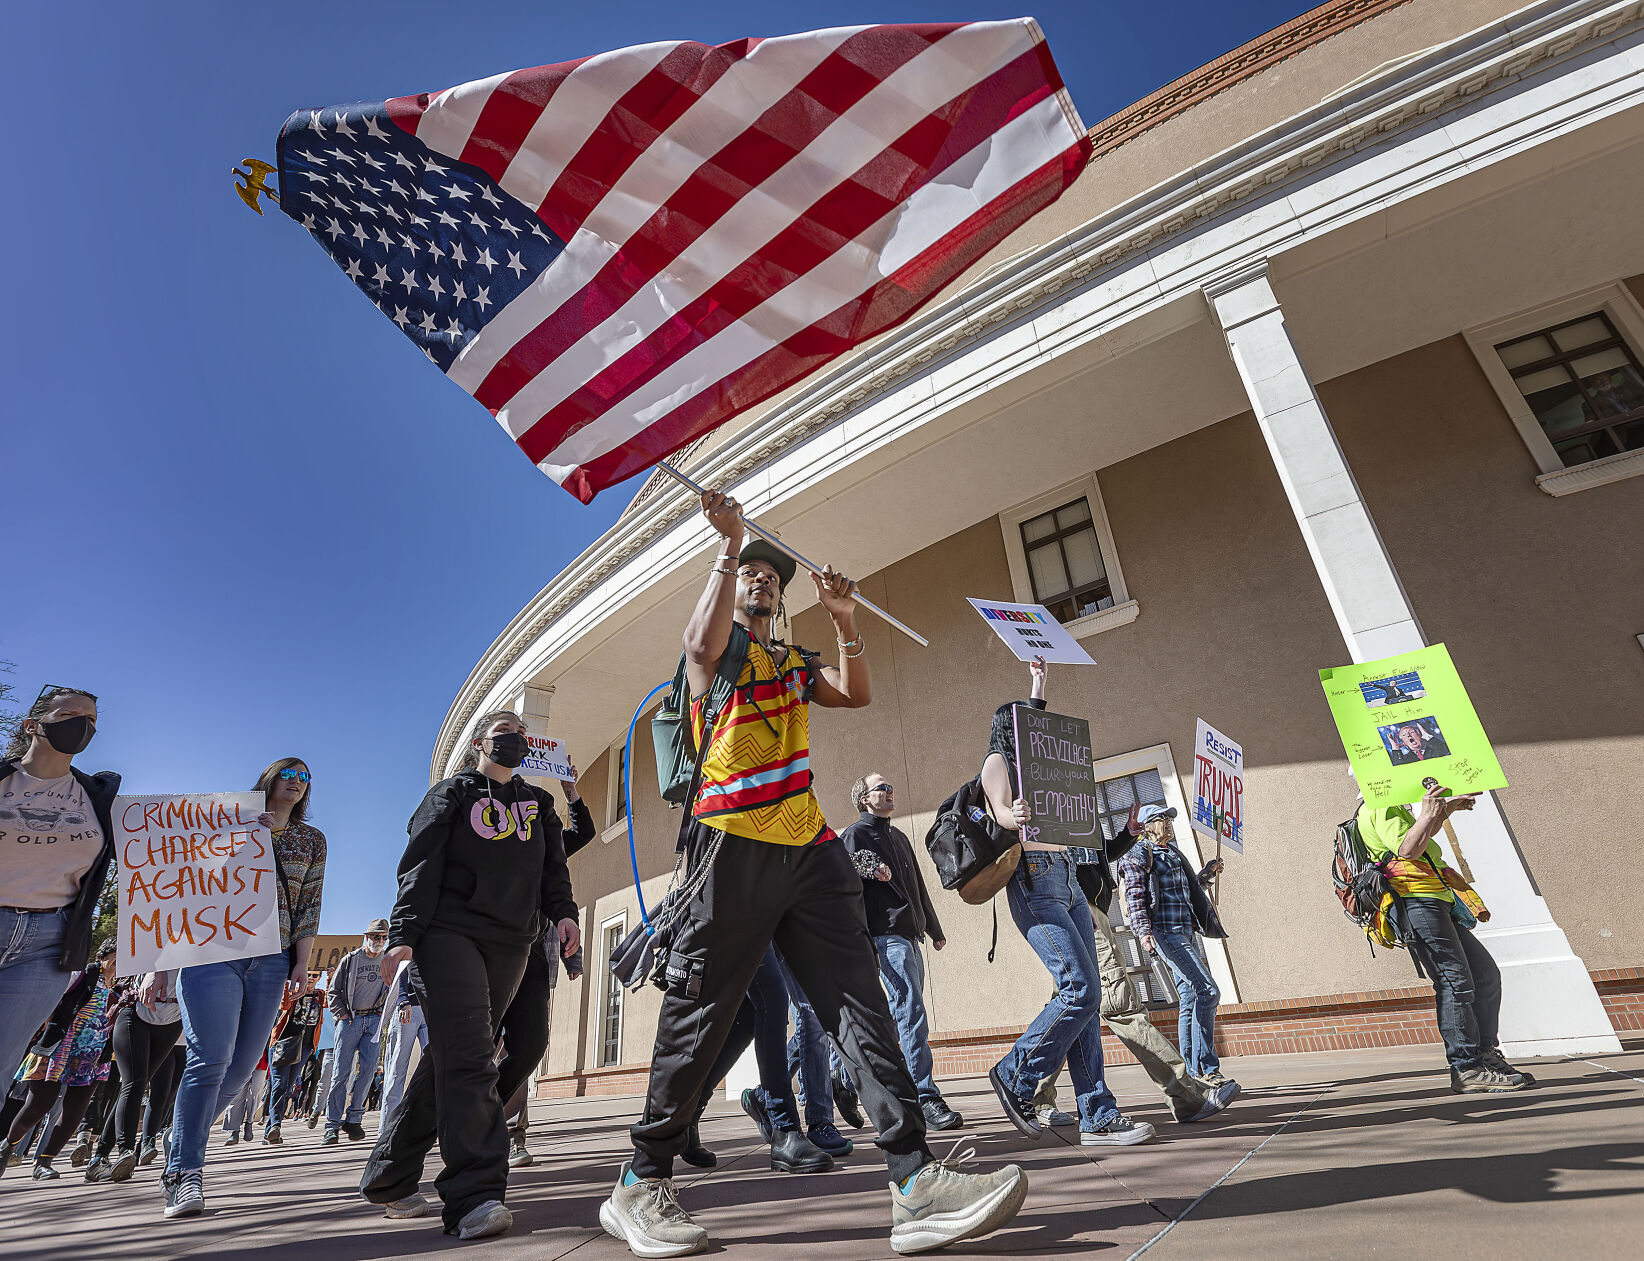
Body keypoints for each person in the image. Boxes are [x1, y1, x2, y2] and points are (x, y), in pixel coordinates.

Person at [599, 489, 1026, 1260]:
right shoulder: (718, 653)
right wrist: (728, 550)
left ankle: (913, 1180)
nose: (763, 581)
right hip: (729, 846)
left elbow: (857, 691)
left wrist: (844, 618)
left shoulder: (792, 663)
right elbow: (697, 648)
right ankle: (639, 1180)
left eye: (771, 576)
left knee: (860, 1003)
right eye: (752, 575)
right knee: (701, 1012)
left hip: (811, 846)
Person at [366, 709, 580, 1240]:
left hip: (515, 941)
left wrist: (566, 913)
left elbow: (554, 868)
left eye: (520, 736)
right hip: (449, 934)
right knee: (471, 1057)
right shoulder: (451, 795)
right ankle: (475, 1195)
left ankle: (391, 1174)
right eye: (505, 734)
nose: (516, 742)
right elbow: (419, 865)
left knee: (474, 1055)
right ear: (480, 744)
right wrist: (404, 935)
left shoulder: (539, 803)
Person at [982, 658, 1154, 1150]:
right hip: (1034, 883)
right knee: (1078, 988)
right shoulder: (999, 762)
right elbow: (1000, 814)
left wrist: (1039, 681)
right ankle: (1016, 1073)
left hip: (1069, 881)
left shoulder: (1039, 766)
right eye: (1023, 722)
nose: (1031, 729)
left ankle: (1097, 1114)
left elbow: (1039, 723)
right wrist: (1012, 816)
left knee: (1090, 996)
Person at [160, 757, 325, 1221]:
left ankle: (180, 1137)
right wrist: (160, 964)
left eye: (303, 778)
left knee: (241, 1067)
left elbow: (310, 902)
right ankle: (184, 1172)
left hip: (272, 957)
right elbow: (182, 883)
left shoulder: (312, 839)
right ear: (269, 779)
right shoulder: (228, 819)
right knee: (209, 1058)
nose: (294, 783)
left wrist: (302, 962)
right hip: (213, 949)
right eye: (287, 775)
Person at [1357, 782, 1531, 1092]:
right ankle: (1466, 1067)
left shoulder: (1395, 808)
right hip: (1416, 902)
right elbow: (1408, 850)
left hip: (1436, 900)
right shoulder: (1378, 807)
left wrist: (1446, 808)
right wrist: (1429, 811)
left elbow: (1421, 839)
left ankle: (1484, 1053)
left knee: (1485, 975)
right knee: (1455, 982)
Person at [0, 686, 119, 1086]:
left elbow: (170, 839)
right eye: (70, 716)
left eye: (91, 721)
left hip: (47, 946)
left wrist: (247, 825)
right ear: (33, 725)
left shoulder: (100, 798)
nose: (83, 727)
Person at [840, 774, 962, 1132]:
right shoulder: (854, 836)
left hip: (910, 936)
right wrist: (866, 867)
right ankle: (924, 1096)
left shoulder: (899, 837)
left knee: (892, 1016)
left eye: (890, 785)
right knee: (909, 1010)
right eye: (881, 787)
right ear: (864, 798)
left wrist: (933, 928)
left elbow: (917, 888)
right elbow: (841, 873)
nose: (890, 790)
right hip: (883, 937)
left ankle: (845, 1079)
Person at [1118, 805, 1235, 1092]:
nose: (1168, 823)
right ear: (1146, 826)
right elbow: (1135, 897)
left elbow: (1189, 888)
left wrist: (1207, 874)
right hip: (1165, 933)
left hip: (1185, 931)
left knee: (1189, 998)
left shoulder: (1172, 853)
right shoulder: (1138, 854)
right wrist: (1143, 933)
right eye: (1161, 819)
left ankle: (1189, 1073)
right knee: (1207, 991)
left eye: (1170, 819)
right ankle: (1206, 1069)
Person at [1, 940, 124, 1178]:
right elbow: (51, 1000)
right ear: (103, 955)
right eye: (116, 955)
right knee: (38, 1105)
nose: (119, 962)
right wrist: (44, 1028)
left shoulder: (121, 988)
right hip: (60, 1049)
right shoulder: (84, 975)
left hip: (92, 1057)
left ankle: (43, 1163)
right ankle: (7, 1147)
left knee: (74, 1112)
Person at [86, 970, 183, 1182]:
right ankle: (125, 1151)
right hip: (135, 1009)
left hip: (172, 1018)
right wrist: (155, 969)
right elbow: (138, 942)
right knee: (134, 1082)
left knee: (135, 1086)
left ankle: (99, 1157)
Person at [322, 921, 391, 1144]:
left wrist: (382, 1015)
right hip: (350, 1020)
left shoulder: (387, 961)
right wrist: (342, 1014)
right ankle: (331, 1124)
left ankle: (354, 1119)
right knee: (341, 1072)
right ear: (367, 936)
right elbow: (333, 990)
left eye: (384, 937)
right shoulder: (351, 959)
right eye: (376, 936)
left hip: (374, 1020)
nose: (380, 941)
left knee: (369, 1070)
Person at [264, 985, 323, 1143]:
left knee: (288, 1087)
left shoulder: (320, 995)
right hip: (282, 1045)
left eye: (316, 975)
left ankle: (271, 1131)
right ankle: (275, 1125)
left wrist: (330, 976)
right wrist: (288, 986)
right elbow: (284, 1004)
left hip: (304, 1047)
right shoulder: (292, 993)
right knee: (279, 1084)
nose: (311, 978)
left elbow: (331, 1000)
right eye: (309, 974)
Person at [377, 961, 426, 1126]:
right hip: (408, 1008)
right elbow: (400, 970)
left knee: (431, 1069)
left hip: (431, 1009)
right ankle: (387, 1127)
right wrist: (403, 1000)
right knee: (397, 1070)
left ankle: (422, 1124)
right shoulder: (411, 938)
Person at [222, 1047, 269, 1145]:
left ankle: (249, 1123)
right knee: (237, 1094)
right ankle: (234, 1130)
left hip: (262, 1058)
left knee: (256, 1092)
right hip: (241, 1057)